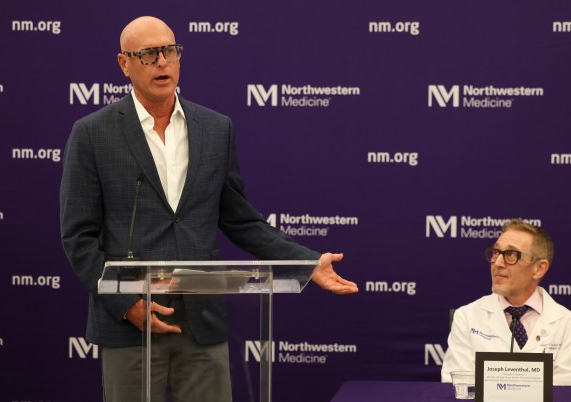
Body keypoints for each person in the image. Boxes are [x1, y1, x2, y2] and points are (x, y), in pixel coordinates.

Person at [59, 16, 358, 402]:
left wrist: (307, 262)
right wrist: (124, 304)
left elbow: (241, 220)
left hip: (203, 322)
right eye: (149, 54)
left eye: (170, 51)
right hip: (131, 322)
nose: (163, 62)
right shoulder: (93, 133)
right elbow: (78, 236)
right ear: (124, 63)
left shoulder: (216, 128)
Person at [441, 219, 571, 386]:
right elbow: (460, 388)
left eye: (511, 255)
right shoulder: (467, 317)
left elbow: (567, 393)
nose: (497, 263)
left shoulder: (567, 324)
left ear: (539, 268)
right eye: (496, 252)